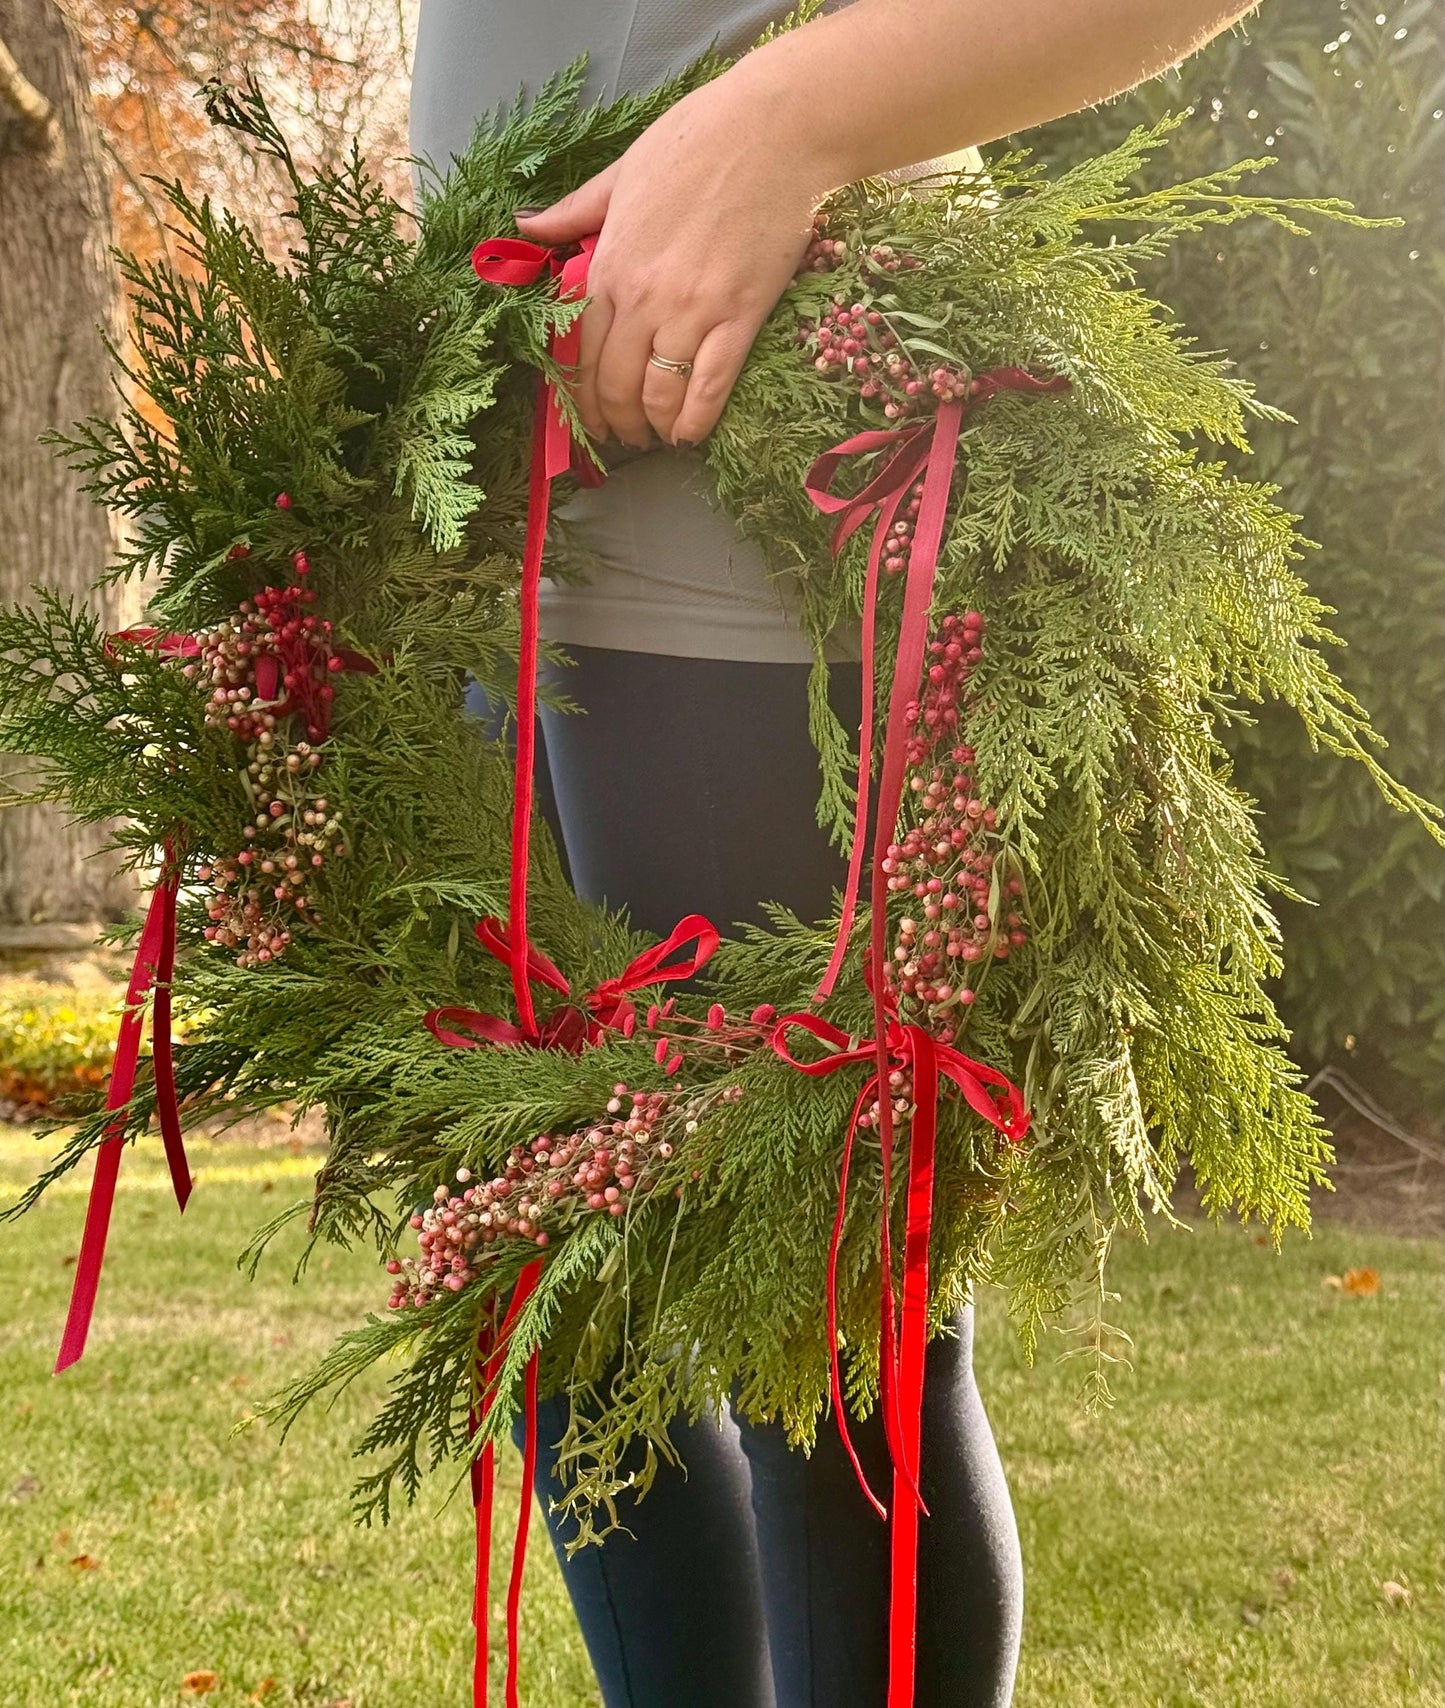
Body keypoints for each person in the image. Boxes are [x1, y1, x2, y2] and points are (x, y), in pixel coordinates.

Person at [410, 4, 1261, 1703]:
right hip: (483, 510)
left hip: (776, 515)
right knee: (570, 1307)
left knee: (831, 1361)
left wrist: (784, 123)